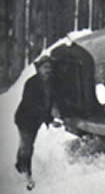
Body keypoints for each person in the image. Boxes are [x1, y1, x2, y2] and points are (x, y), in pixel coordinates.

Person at [14, 56, 62, 190]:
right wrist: (50, 120)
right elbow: (32, 105)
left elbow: (53, 98)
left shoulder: (51, 82)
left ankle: (19, 165)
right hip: (25, 119)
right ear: (38, 69)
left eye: (49, 67)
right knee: (27, 146)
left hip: (36, 120)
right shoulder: (31, 83)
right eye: (45, 68)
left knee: (27, 144)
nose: (48, 70)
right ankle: (27, 175)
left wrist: (54, 109)